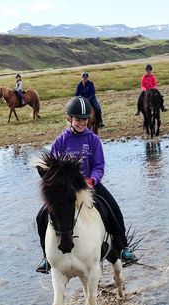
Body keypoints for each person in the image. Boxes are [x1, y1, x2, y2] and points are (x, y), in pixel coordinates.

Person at [35, 97, 137, 274]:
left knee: (114, 209)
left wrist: (92, 180)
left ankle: (123, 247)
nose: (81, 123)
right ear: (69, 119)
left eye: (84, 119)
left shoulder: (93, 140)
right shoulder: (60, 141)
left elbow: (99, 166)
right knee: (41, 217)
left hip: (90, 186)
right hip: (66, 190)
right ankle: (46, 258)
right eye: (77, 119)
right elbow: (53, 169)